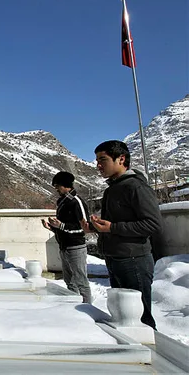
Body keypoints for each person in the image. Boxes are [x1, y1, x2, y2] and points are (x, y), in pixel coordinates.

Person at [83, 140, 161, 329]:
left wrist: (112, 228)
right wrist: (95, 227)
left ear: (121, 159)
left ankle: (150, 347)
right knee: (123, 316)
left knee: (140, 319)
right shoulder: (112, 189)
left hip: (133, 260)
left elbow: (152, 224)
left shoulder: (136, 187)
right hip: (115, 258)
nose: (98, 165)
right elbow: (116, 223)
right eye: (97, 161)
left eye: (103, 160)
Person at [42, 171, 92, 303]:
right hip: (64, 247)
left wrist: (61, 225)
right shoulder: (62, 202)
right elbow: (63, 227)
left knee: (81, 281)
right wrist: (52, 227)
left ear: (65, 185)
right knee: (69, 281)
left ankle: (88, 307)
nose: (56, 189)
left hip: (76, 247)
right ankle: (73, 304)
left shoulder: (76, 202)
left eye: (57, 186)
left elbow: (84, 227)